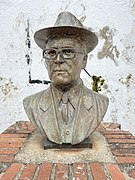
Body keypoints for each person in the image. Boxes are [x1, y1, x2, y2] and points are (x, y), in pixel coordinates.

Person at [23, 11, 109, 145]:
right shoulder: (31, 104)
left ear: (84, 60)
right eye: (51, 52)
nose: (58, 60)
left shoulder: (100, 103)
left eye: (67, 52)